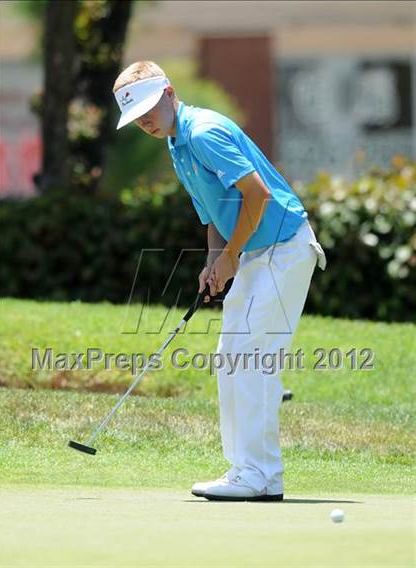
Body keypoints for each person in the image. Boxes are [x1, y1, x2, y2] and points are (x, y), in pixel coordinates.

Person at [113, 61, 326, 501]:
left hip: (284, 247)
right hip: (257, 252)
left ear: (169, 93)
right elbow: (214, 214)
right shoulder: (177, 145)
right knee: (231, 355)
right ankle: (248, 471)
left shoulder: (204, 132)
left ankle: (259, 473)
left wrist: (231, 258)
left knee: (249, 356)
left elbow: (258, 195)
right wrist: (215, 261)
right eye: (137, 118)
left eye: (150, 108)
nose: (145, 123)